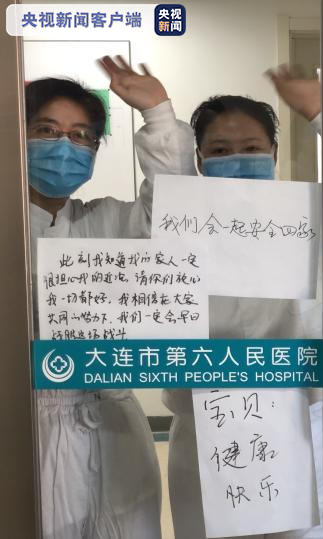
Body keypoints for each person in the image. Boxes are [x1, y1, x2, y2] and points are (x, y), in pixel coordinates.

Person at [28, 56, 194, 538]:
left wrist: (158, 114)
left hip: (115, 425)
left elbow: (175, 211)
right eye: (46, 130)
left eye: (81, 136)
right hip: (28, 428)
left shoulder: (103, 221)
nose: (65, 145)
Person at [157, 87, 323, 539]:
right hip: (204, 421)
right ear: (198, 159)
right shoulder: (177, 225)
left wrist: (321, 114)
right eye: (220, 150)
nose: (237, 160)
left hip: (297, 419)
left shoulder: (311, 215)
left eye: (251, 148)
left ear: (274, 152)